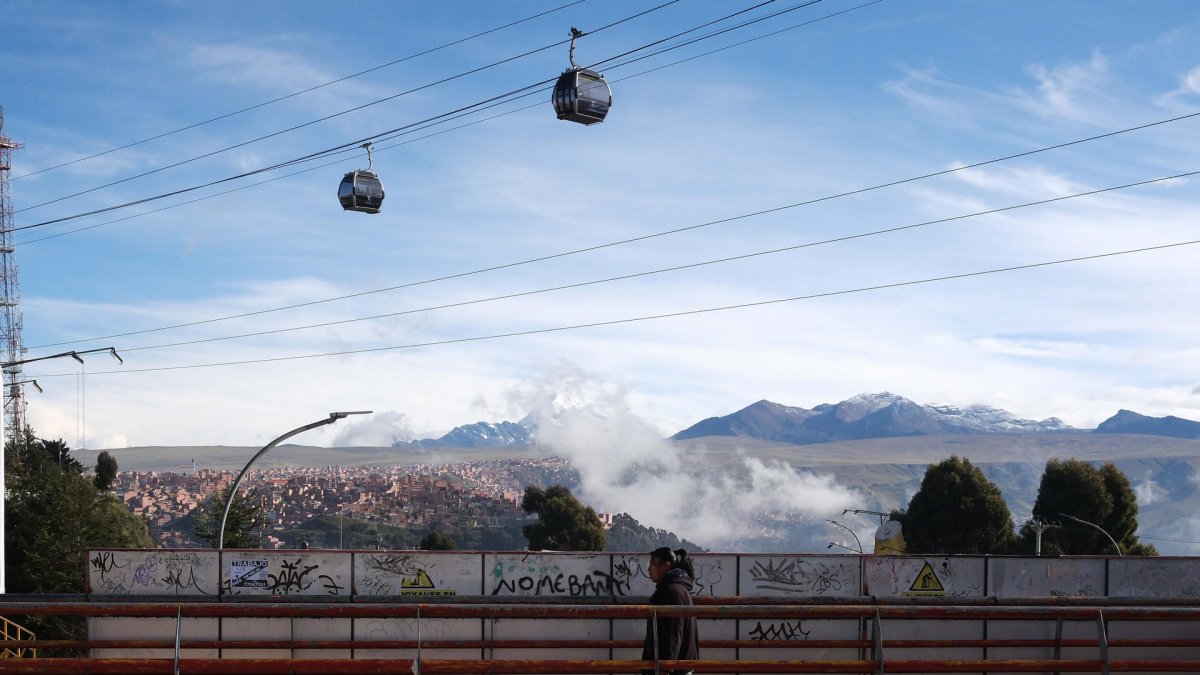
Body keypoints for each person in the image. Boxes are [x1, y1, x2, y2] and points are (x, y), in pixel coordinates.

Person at [642, 547, 699, 675]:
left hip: (673, 670)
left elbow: (672, 636)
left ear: (666, 566)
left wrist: (665, 669)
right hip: (679, 667)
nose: (649, 568)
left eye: (653, 563)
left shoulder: (672, 593)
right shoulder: (677, 588)